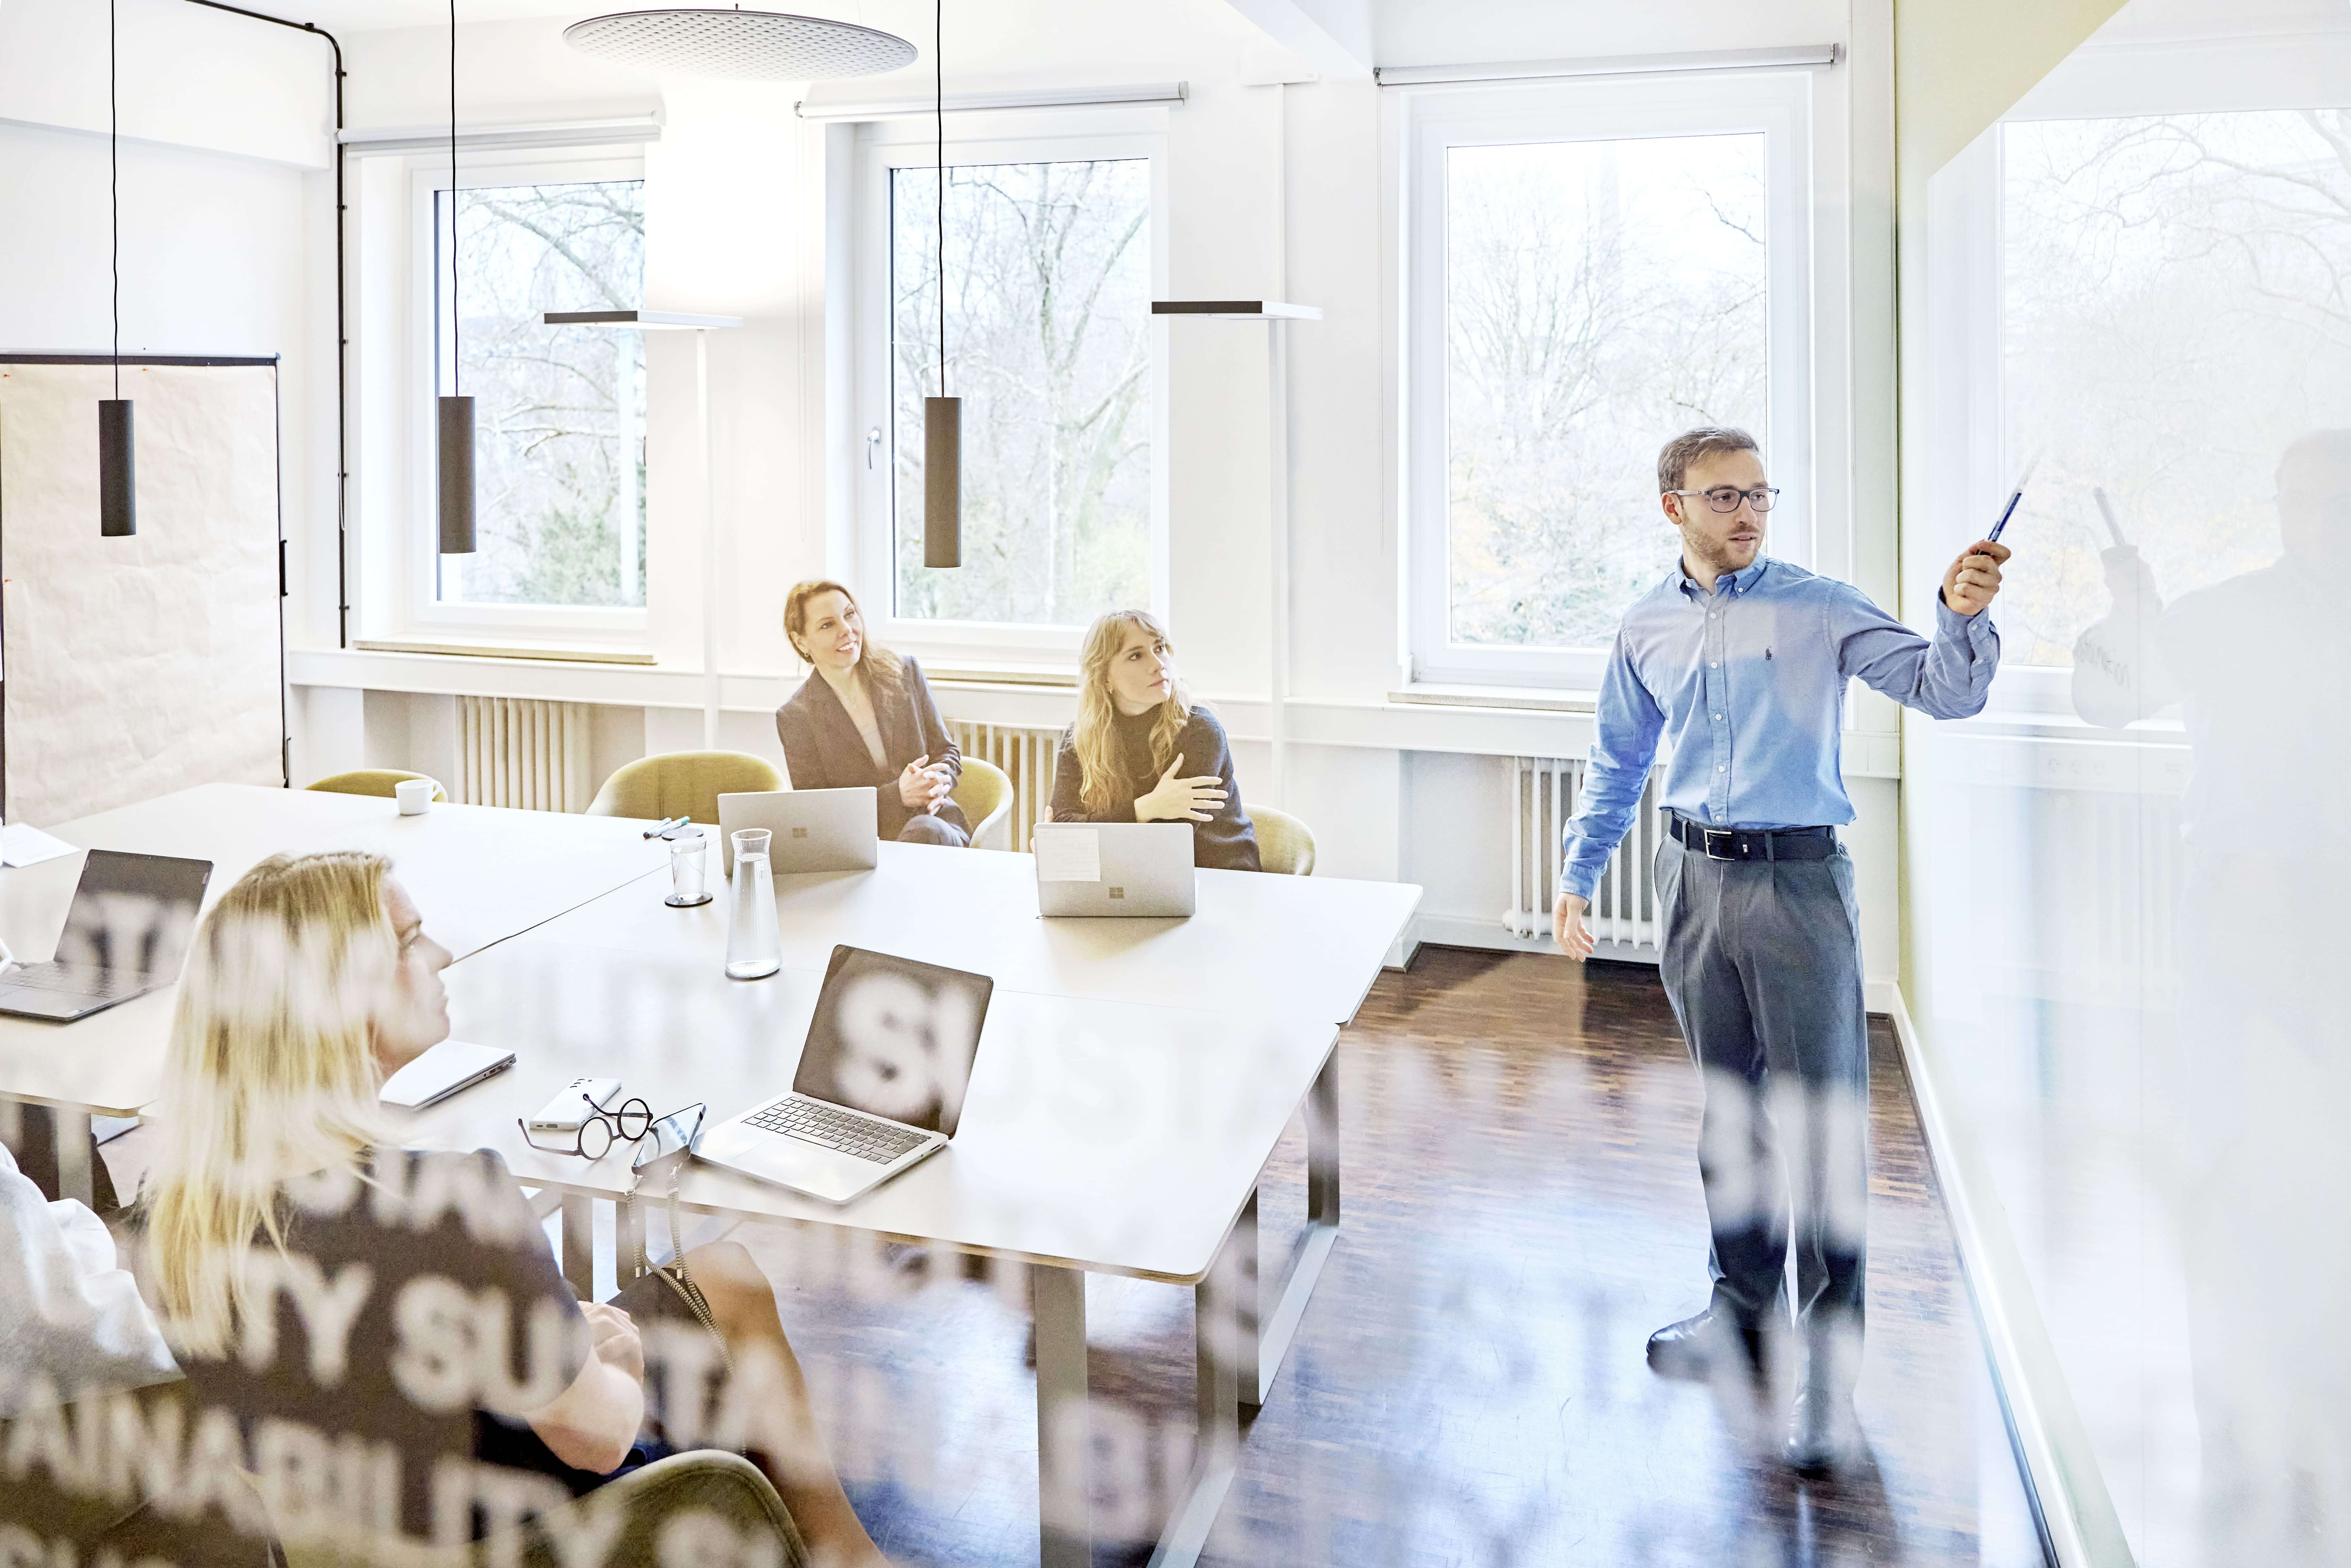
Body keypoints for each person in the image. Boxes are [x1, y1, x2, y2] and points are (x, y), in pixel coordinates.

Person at [135, 851, 885, 1564]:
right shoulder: (455, 1203)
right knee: (716, 1316)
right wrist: (608, 1362)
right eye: (408, 941)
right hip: (544, 1528)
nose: (441, 955)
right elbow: (599, 1440)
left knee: (723, 1278)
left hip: (381, 1522)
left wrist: (548, 1344)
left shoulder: (177, 1221)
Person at [1553, 426, 2008, 1473]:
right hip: (1689, 882)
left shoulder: (1816, 604)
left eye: (1758, 493)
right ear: (1671, 505)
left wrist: (1961, 616)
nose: (1747, 511)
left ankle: (1828, 1378)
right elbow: (1618, 758)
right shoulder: (1641, 626)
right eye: (1722, 496)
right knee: (1731, 1115)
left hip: (1798, 887)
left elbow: (1946, 690)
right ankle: (1739, 1312)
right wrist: (1580, 872)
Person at [2070, 431, 2351, 1563]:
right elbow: (2106, 703)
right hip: (2238, 935)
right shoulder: (2224, 615)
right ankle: (2242, 1432)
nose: (2310, 515)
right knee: (2237, 1179)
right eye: (2294, 497)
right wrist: (2127, 624)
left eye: (2329, 497)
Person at [1048, 610, 1261, 872]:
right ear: (1104, 676)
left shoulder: (1200, 732)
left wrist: (1078, 844)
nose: (1158, 664)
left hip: (1219, 877)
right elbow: (1061, 828)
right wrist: (1144, 809)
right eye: (1136, 655)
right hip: (1131, 880)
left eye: (1159, 648)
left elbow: (1165, 844)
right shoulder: (1078, 738)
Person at [776, 579, 969, 847]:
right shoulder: (796, 716)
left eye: (850, 614)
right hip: (858, 842)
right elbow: (819, 808)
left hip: (936, 824)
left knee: (924, 830)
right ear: (801, 642)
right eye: (827, 625)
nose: (847, 630)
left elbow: (946, 751)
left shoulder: (905, 672)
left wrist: (939, 780)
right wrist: (898, 795)